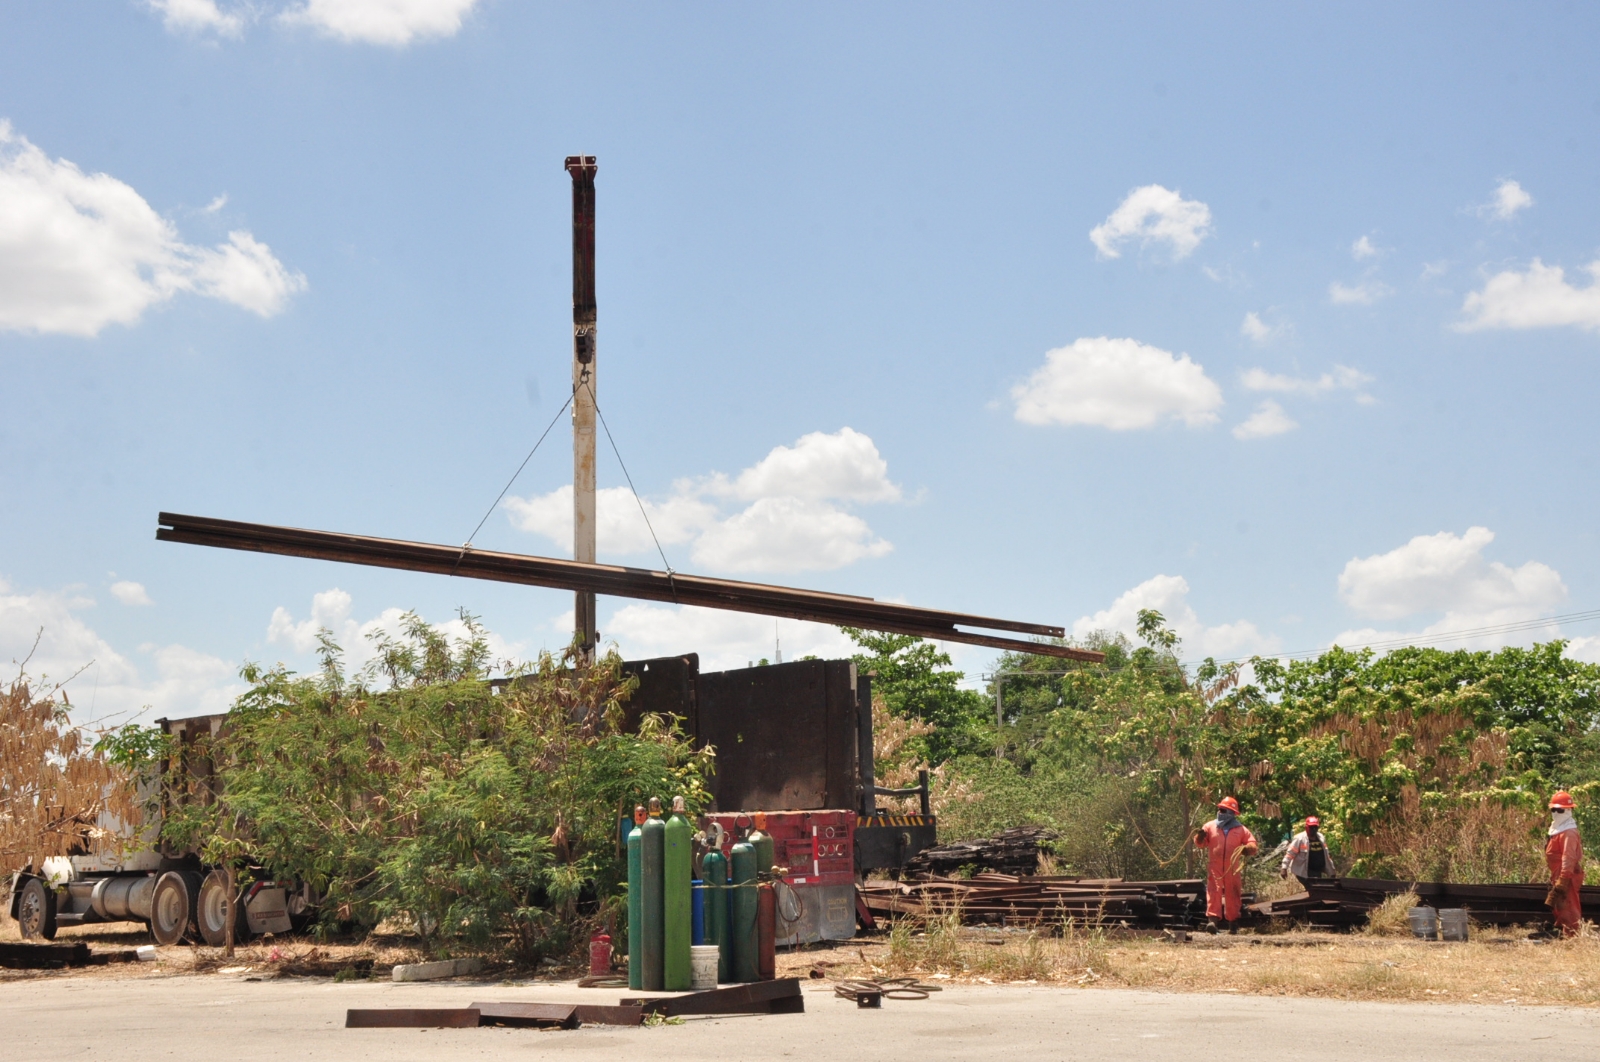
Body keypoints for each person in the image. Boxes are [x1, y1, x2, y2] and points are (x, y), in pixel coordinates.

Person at [1193, 797, 1258, 931]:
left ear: (1231, 813)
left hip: (1233, 867)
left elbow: (1252, 844)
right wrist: (1199, 837)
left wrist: (1248, 848)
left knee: (1233, 893)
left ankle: (1233, 922)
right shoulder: (1209, 826)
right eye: (1220, 809)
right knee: (1213, 891)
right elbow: (1201, 844)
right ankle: (1212, 921)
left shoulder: (1241, 829)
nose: (1220, 812)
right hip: (1214, 865)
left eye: (1224, 810)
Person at [1545, 791, 1584, 938]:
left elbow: (1569, 857)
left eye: (1559, 810)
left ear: (1568, 810)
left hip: (1566, 874)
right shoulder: (1559, 829)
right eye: (1553, 809)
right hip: (1559, 872)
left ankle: (1572, 936)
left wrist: (1564, 879)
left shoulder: (1568, 832)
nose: (1556, 813)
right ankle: (1564, 933)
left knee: (1568, 905)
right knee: (1560, 905)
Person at [1280, 816, 1337, 884]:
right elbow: (1290, 854)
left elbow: (1326, 855)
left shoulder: (1321, 837)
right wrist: (1284, 868)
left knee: (1319, 889)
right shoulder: (1300, 838)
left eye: (1315, 827)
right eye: (1311, 827)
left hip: (1317, 870)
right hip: (1304, 871)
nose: (1313, 829)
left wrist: (1331, 871)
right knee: (1314, 889)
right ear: (1306, 827)